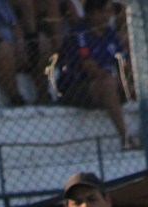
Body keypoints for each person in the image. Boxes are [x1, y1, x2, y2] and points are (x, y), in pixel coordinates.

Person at [54, 0, 132, 148]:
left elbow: (125, 62)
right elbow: (88, 66)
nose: (108, 16)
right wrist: (113, 81)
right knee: (107, 83)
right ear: (92, 13)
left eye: (110, 12)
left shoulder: (111, 34)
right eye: (104, 12)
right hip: (76, 88)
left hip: (107, 86)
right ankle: (126, 137)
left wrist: (128, 83)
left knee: (122, 83)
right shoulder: (79, 33)